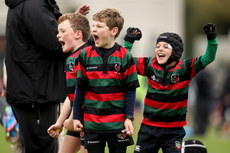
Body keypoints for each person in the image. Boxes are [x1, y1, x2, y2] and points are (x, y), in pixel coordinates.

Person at [4, 1, 88, 152]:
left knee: (37, 146)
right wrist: (77, 35)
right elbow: (56, 42)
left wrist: (72, 25)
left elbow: (46, 33)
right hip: (36, 94)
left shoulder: (30, 5)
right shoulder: (34, 5)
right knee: (42, 147)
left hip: (32, 91)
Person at [124, 23, 218, 153]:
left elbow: (209, 57)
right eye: (157, 46)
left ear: (176, 51)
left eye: (165, 46)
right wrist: (129, 41)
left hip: (174, 131)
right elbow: (125, 61)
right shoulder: (150, 64)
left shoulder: (185, 68)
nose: (159, 49)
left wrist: (211, 38)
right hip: (149, 129)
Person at [72, 8, 140, 153]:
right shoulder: (85, 55)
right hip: (91, 124)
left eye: (99, 26)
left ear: (113, 31)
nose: (93, 30)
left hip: (118, 124)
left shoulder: (125, 56)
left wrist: (129, 118)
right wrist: (76, 116)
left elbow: (130, 90)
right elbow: (80, 88)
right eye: (93, 26)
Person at [47, 12, 91, 153]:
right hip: (78, 118)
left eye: (63, 31)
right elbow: (72, 95)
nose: (58, 35)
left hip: (90, 119)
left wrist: (73, 117)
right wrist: (59, 122)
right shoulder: (71, 58)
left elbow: (86, 91)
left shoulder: (86, 56)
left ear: (78, 34)